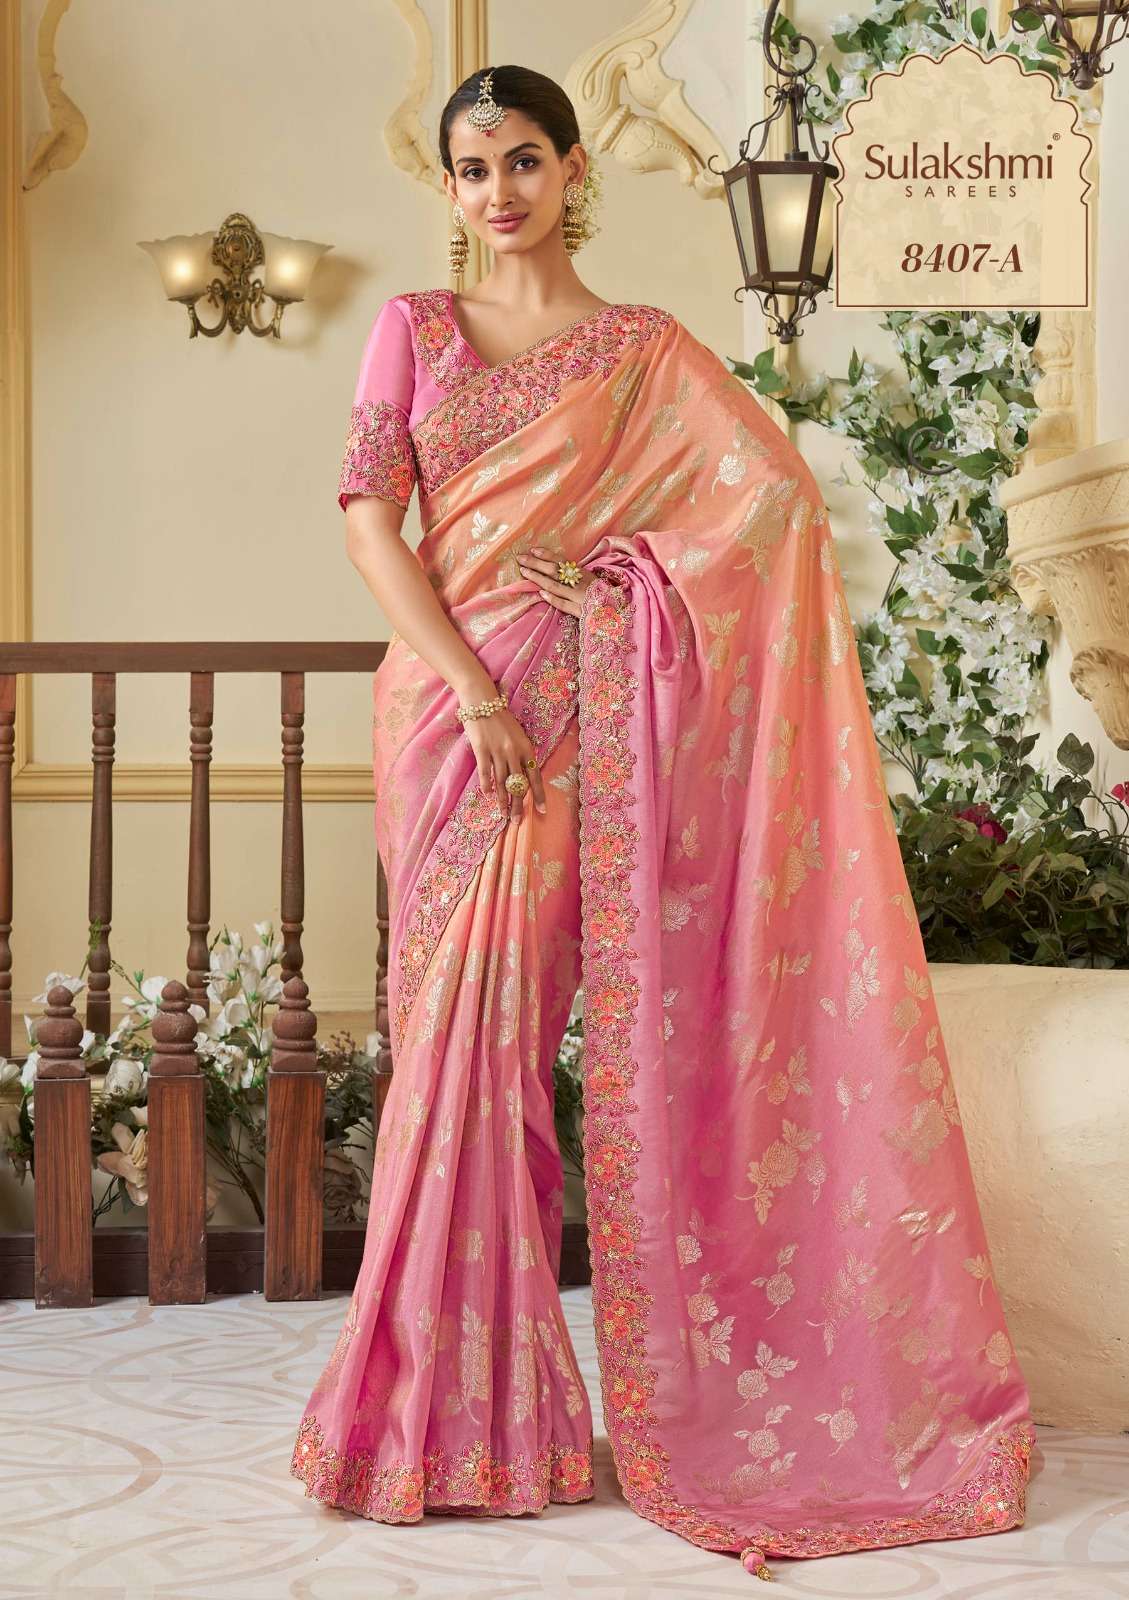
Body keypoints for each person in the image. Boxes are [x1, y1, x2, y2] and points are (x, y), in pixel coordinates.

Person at [289, 63, 1036, 1582]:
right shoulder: (413, 328)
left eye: (522, 160)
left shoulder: (641, 350)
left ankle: (501, 1420)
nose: (497, 191)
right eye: (471, 169)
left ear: (573, 171)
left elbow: (769, 507)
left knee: (507, 1044)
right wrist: (472, 688)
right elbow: (371, 524)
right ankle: (427, 1415)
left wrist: (627, 579)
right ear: (449, 189)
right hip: (449, 716)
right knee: (442, 1043)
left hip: (573, 719)